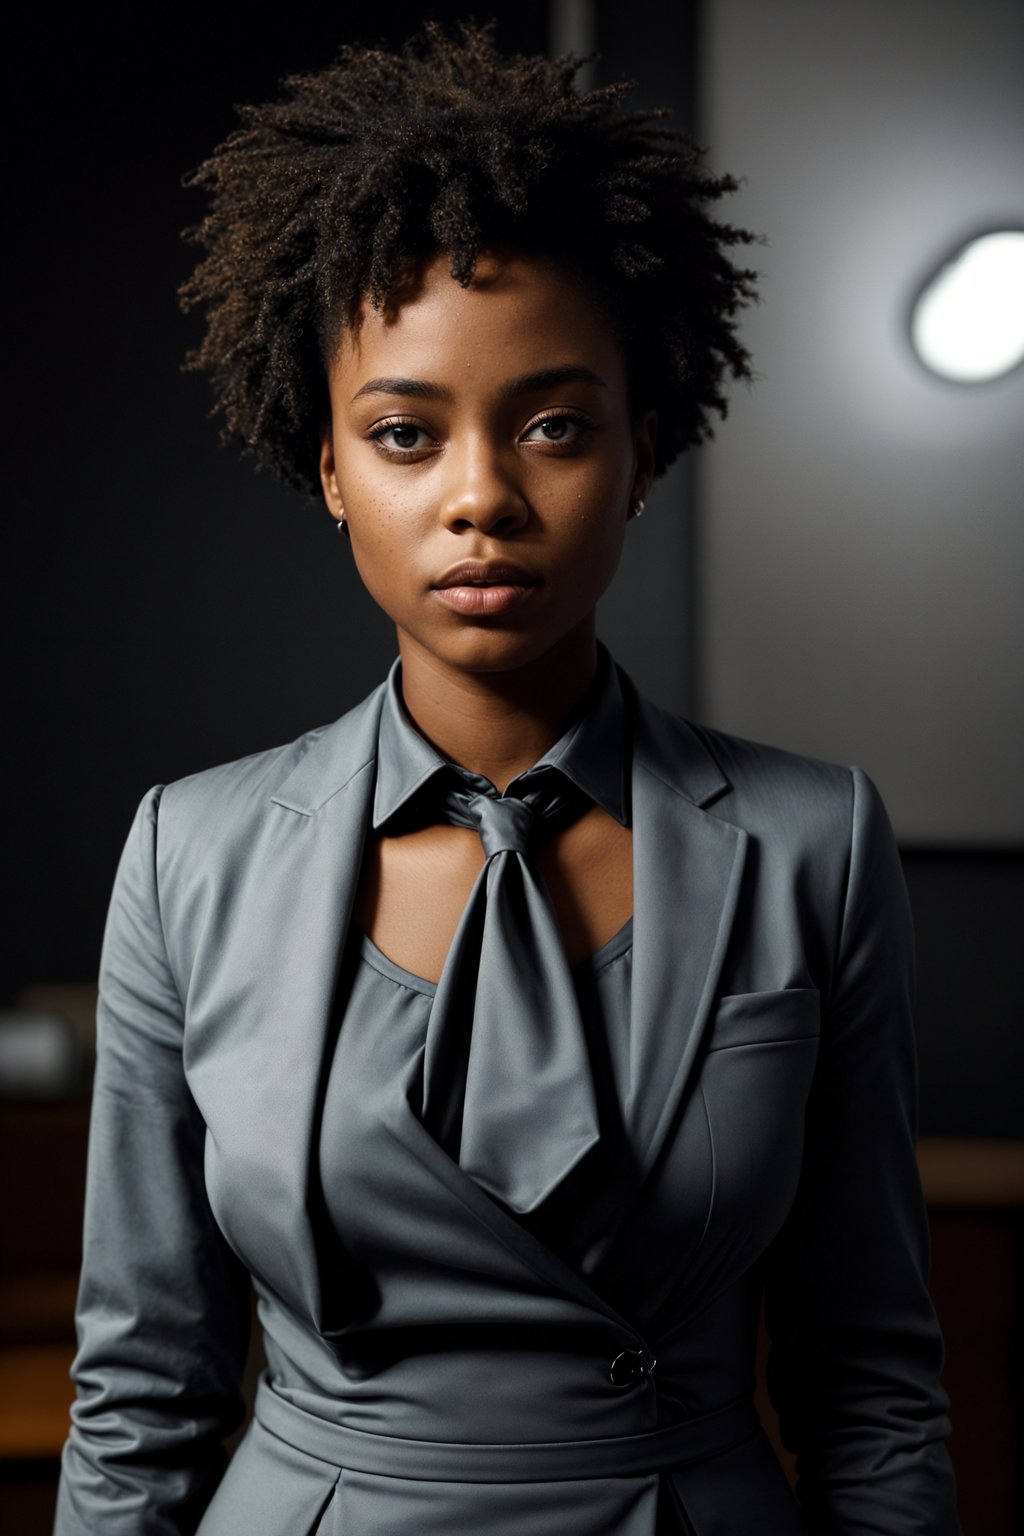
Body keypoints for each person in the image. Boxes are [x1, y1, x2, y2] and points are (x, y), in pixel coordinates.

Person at [55, 22, 960, 1536]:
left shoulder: (814, 842)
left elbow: (867, 1378)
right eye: (405, 435)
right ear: (330, 465)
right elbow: (145, 1385)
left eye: (553, 426)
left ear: (647, 447)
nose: (481, 496)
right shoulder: (187, 854)